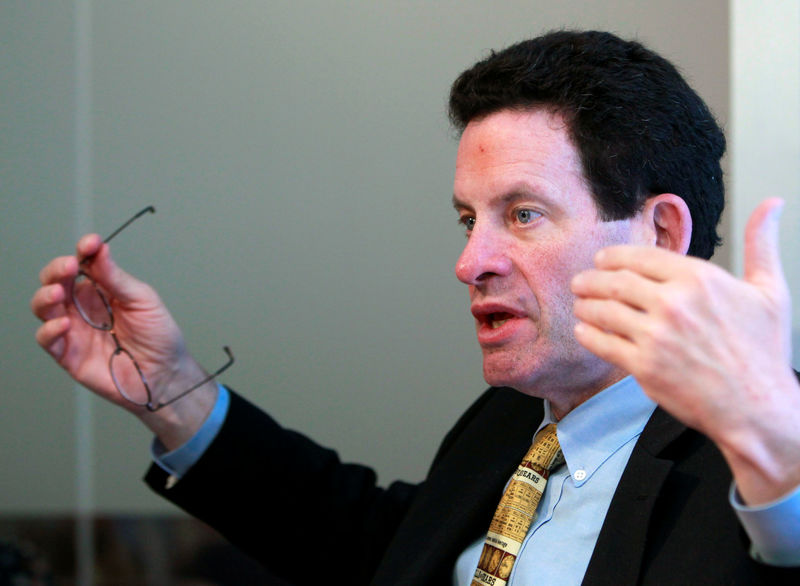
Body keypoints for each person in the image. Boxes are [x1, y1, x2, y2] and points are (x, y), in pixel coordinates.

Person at [31, 30, 800, 585]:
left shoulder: (762, 448)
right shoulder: (511, 424)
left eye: (524, 214)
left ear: (660, 232)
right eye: (470, 220)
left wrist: (776, 450)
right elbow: (376, 546)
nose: (471, 262)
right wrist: (173, 391)